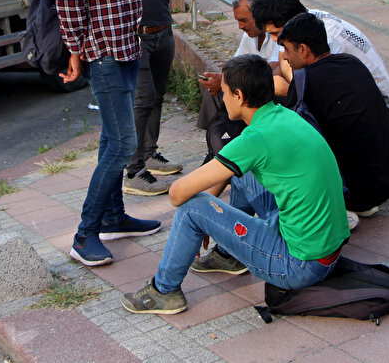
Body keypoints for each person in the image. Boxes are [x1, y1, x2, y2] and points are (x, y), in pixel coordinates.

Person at [121, 54, 350, 315]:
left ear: (239, 96)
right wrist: (214, 221)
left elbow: (177, 193)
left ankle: (163, 291)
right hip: (327, 251)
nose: (222, 98)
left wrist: (205, 217)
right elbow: (226, 175)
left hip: (299, 265)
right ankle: (230, 256)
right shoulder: (284, 115)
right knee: (240, 176)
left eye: (225, 92)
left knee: (191, 208)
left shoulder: (254, 139)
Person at [56, 0, 169, 267]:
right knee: (123, 143)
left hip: (125, 50)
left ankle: (113, 217)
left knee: (111, 138)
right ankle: (85, 235)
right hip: (103, 54)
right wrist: (74, 49)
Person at [279, 13, 389, 221]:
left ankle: (336, 210)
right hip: (386, 182)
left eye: (287, 50)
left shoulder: (304, 81)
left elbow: (291, 140)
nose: (285, 58)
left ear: (303, 49)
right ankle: (357, 202)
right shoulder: (352, 62)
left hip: (353, 192)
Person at [123, 0, 193, 197]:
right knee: (142, 99)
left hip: (162, 31)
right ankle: (133, 169)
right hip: (135, 35)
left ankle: (150, 154)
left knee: (157, 97)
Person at [250, 0, 389, 119]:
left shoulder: (327, 36)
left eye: (276, 33)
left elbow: (322, 89)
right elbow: (283, 62)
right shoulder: (302, 22)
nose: (276, 40)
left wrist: (288, 88)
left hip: (379, 107)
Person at [195, 0, 281, 159]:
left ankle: (227, 147)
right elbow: (234, 66)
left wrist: (226, 81)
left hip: (268, 91)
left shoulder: (276, 33)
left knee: (228, 89)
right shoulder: (250, 35)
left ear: (259, 15)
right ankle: (216, 145)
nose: (240, 27)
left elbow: (272, 71)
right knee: (216, 89)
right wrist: (220, 80)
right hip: (251, 87)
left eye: (244, 20)